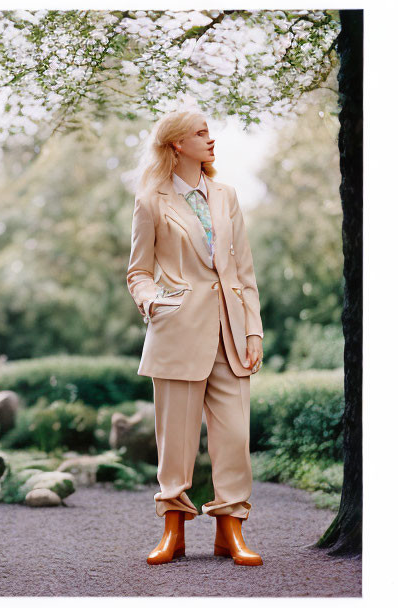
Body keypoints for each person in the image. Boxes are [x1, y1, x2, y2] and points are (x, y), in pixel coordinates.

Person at [126, 109, 264, 566]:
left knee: (234, 438)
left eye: (210, 132)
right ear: (177, 145)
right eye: (200, 133)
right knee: (176, 442)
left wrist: (253, 331)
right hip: (176, 332)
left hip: (230, 333)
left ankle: (230, 531)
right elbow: (138, 272)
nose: (211, 139)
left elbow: (243, 271)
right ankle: (173, 532)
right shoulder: (151, 200)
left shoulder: (227, 196)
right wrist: (152, 301)